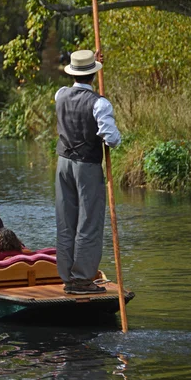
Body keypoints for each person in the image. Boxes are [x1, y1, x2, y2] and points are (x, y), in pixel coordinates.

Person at [55, 50, 121, 295]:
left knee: (65, 221)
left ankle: (68, 278)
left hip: (62, 164)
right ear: (94, 74)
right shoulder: (100, 103)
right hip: (87, 165)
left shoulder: (60, 94)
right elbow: (111, 139)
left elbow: (72, 91)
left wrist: (90, 62)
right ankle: (82, 280)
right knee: (89, 222)